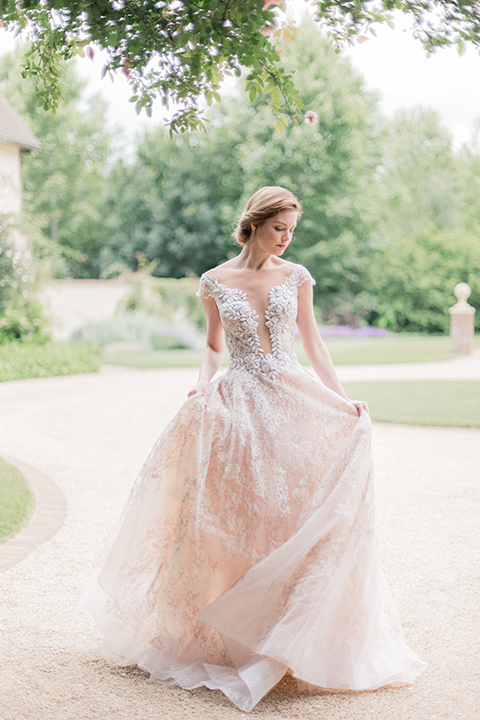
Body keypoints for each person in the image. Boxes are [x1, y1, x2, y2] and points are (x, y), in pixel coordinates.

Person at [85, 186, 426, 712]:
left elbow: (313, 342)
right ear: (255, 224)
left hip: (292, 396)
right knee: (239, 518)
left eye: (292, 230)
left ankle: (290, 637)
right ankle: (241, 637)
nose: (287, 239)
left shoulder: (297, 277)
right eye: (279, 228)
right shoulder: (214, 282)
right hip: (240, 400)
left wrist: (341, 399)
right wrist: (202, 385)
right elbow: (213, 346)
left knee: (295, 511)